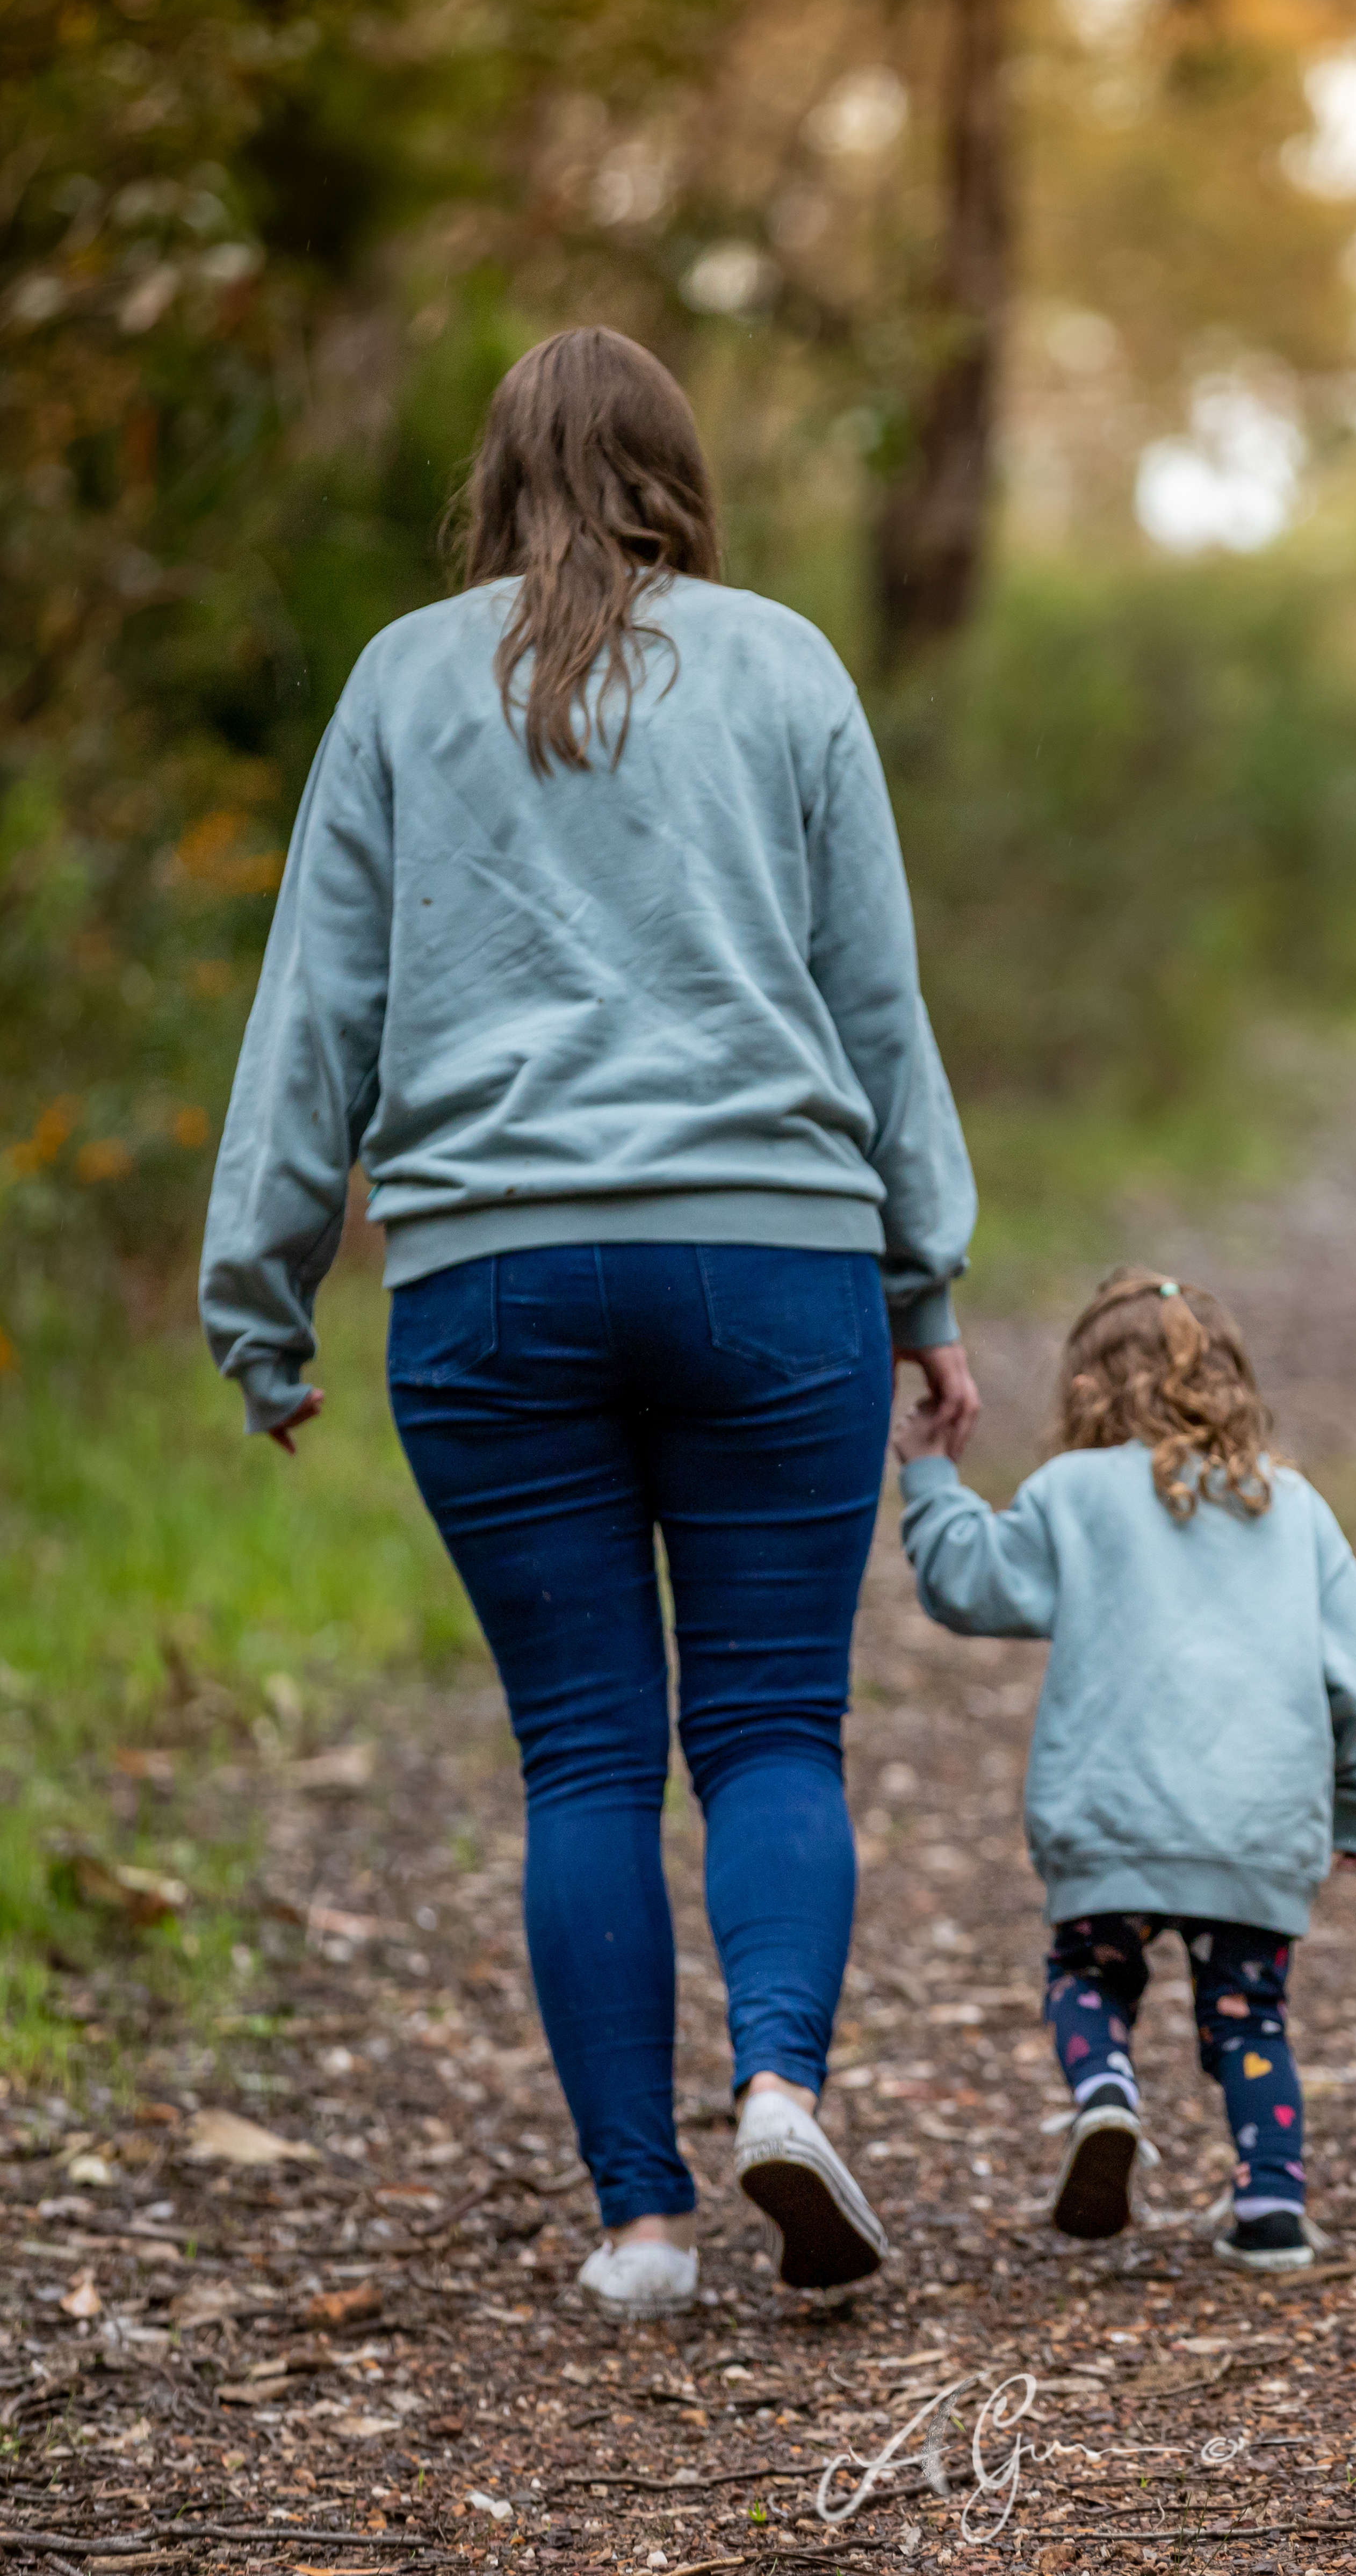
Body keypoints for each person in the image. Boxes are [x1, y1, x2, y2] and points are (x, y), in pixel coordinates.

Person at [200, 326, 979, 2312]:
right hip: (772, 1266)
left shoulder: (398, 680)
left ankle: (640, 2222)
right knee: (775, 1731)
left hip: (490, 1284)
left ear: (498, 477)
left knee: (582, 1758)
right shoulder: (787, 663)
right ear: (677, 473)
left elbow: (317, 1014)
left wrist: (261, 1298)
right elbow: (873, 1004)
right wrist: (927, 1282)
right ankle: (784, 2088)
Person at [894, 1264, 1356, 2273]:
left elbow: (968, 1585)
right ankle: (1272, 2208)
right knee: (1250, 2017)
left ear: (1086, 1387)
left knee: (1089, 1974)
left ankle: (1106, 2097)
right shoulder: (1292, 1505)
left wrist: (928, 1478)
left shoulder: (1074, 1495)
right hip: (1255, 1826)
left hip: (1113, 1816)